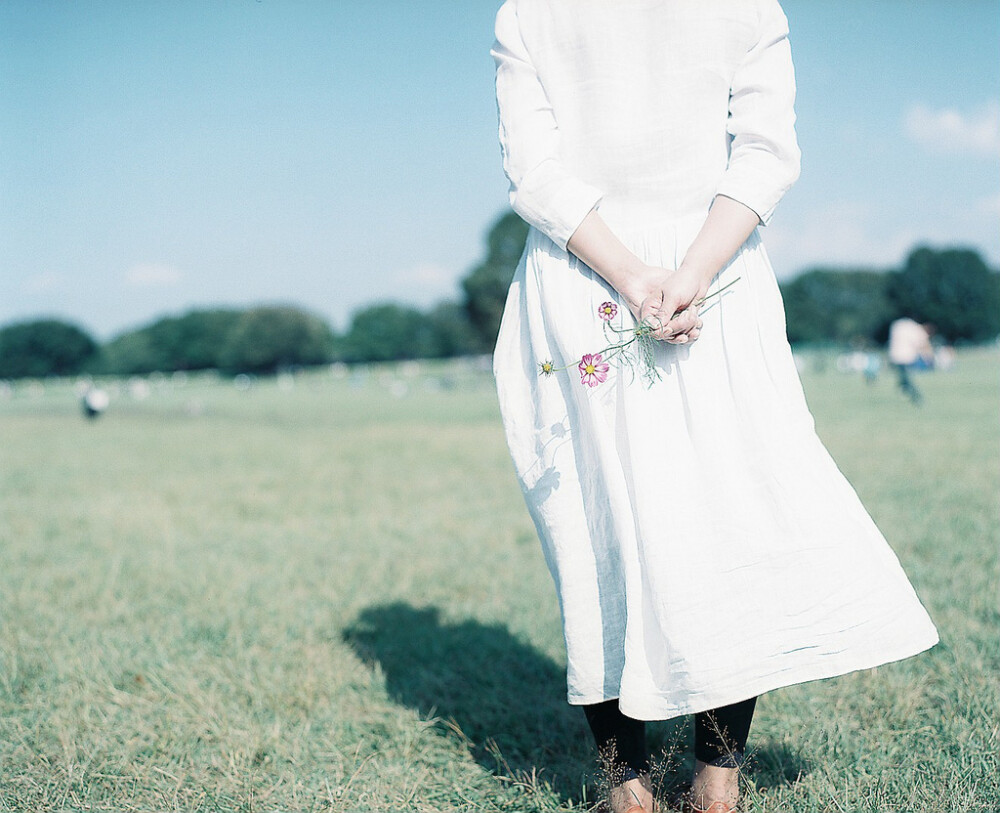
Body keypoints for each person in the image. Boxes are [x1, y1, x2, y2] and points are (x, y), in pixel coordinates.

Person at [490, 2, 939, 812]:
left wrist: (635, 276)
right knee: (727, 521)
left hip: (580, 278)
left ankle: (629, 790)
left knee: (603, 532)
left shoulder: (528, 11)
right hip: (718, 275)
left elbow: (537, 171)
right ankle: (715, 784)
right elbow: (766, 155)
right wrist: (688, 271)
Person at [888, 317, 934, 404]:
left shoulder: (900, 325)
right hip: (907, 358)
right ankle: (914, 396)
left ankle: (911, 395)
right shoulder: (917, 330)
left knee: (904, 378)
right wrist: (929, 358)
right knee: (906, 378)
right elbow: (922, 346)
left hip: (896, 357)